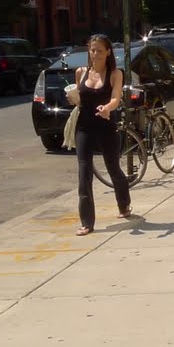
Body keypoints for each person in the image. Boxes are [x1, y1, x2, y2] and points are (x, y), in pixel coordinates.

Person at [72, 33, 132, 235]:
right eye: (92, 50)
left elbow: (116, 98)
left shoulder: (115, 73)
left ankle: (124, 204)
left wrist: (108, 108)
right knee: (84, 170)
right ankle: (87, 222)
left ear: (107, 52)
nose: (95, 54)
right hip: (84, 126)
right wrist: (73, 98)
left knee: (113, 167)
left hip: (106, 125)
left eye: (99, 50)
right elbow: (79, 99)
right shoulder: (81, 72)